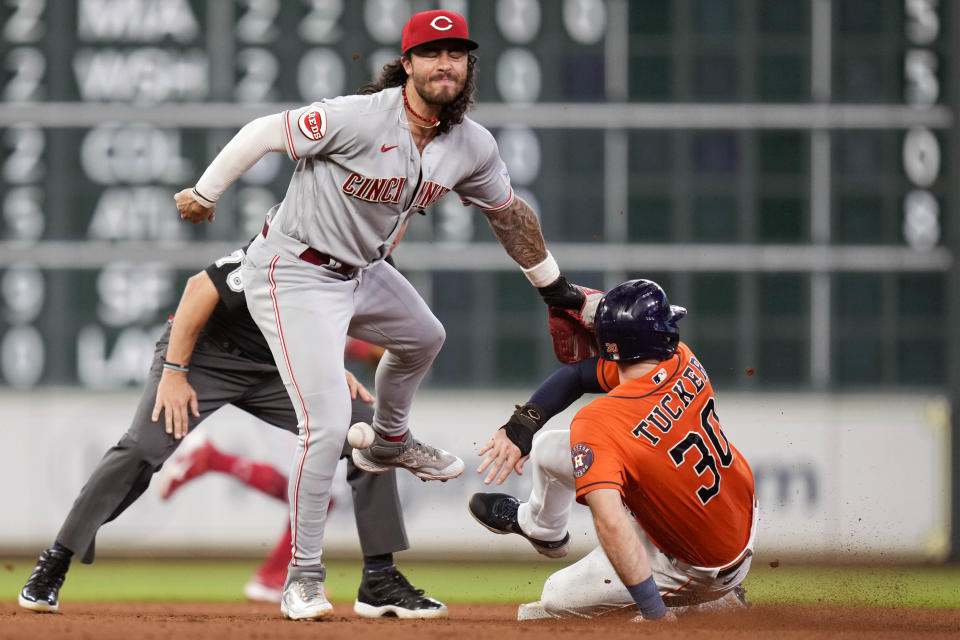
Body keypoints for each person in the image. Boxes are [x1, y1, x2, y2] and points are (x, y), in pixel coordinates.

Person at [174, 9, 596, 620]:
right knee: (324, 425)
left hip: (360, 272)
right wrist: (206, 191)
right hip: (293, 268)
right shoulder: (358, 116)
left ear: (468, 66)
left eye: (456, 54)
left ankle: (389, 441)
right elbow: (265, 130)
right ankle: (302, 579)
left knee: (425, 335)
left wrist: (555, 291)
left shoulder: (471, 145)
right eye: (430, 53)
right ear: (406, 65)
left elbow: (509, 215)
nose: (445, 63)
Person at [18, 244, 446, 619]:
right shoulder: (290, 247)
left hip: (277, 368)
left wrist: (333, 371)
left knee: (368, 433)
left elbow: (317, 329)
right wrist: (174, 371)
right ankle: (56, 559)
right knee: (141, 448)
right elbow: (198, 289)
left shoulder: (362, 275)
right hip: (206, 355)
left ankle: (380, 578)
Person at [468, 279, 757, 621]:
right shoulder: (680, 359)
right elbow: (576, 377)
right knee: (548, 448)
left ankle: (712, 601)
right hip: (735, 510)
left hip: (700, 563)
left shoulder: (599, 423)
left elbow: (611, 522)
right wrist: (523, 425)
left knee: (552, 602)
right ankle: (542, 530)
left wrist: (654, 612)